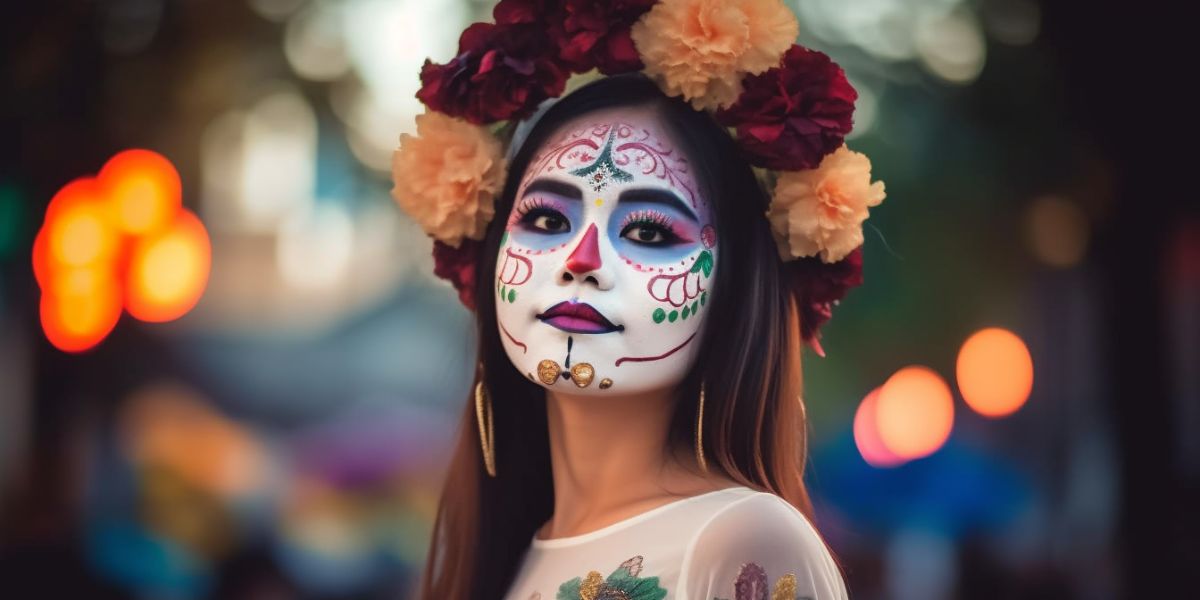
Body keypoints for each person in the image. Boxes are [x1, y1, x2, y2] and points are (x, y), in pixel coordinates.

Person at [391, 2, 886, 598]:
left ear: (730, 288)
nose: (581, 260)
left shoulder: (741, 540)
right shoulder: (503, 558)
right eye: (546, 218)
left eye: (649, 232)